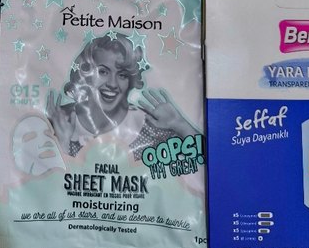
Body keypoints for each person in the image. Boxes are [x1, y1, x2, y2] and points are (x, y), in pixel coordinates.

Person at [45, 33, 199, 160]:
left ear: (131, 80)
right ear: (86, 73)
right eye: (103, 72)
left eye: (122, 75)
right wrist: (62, 144)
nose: (112, 84)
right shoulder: (59, 122)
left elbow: (204, 165)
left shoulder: (151, 127)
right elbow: (43, 183)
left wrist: (181, 125)